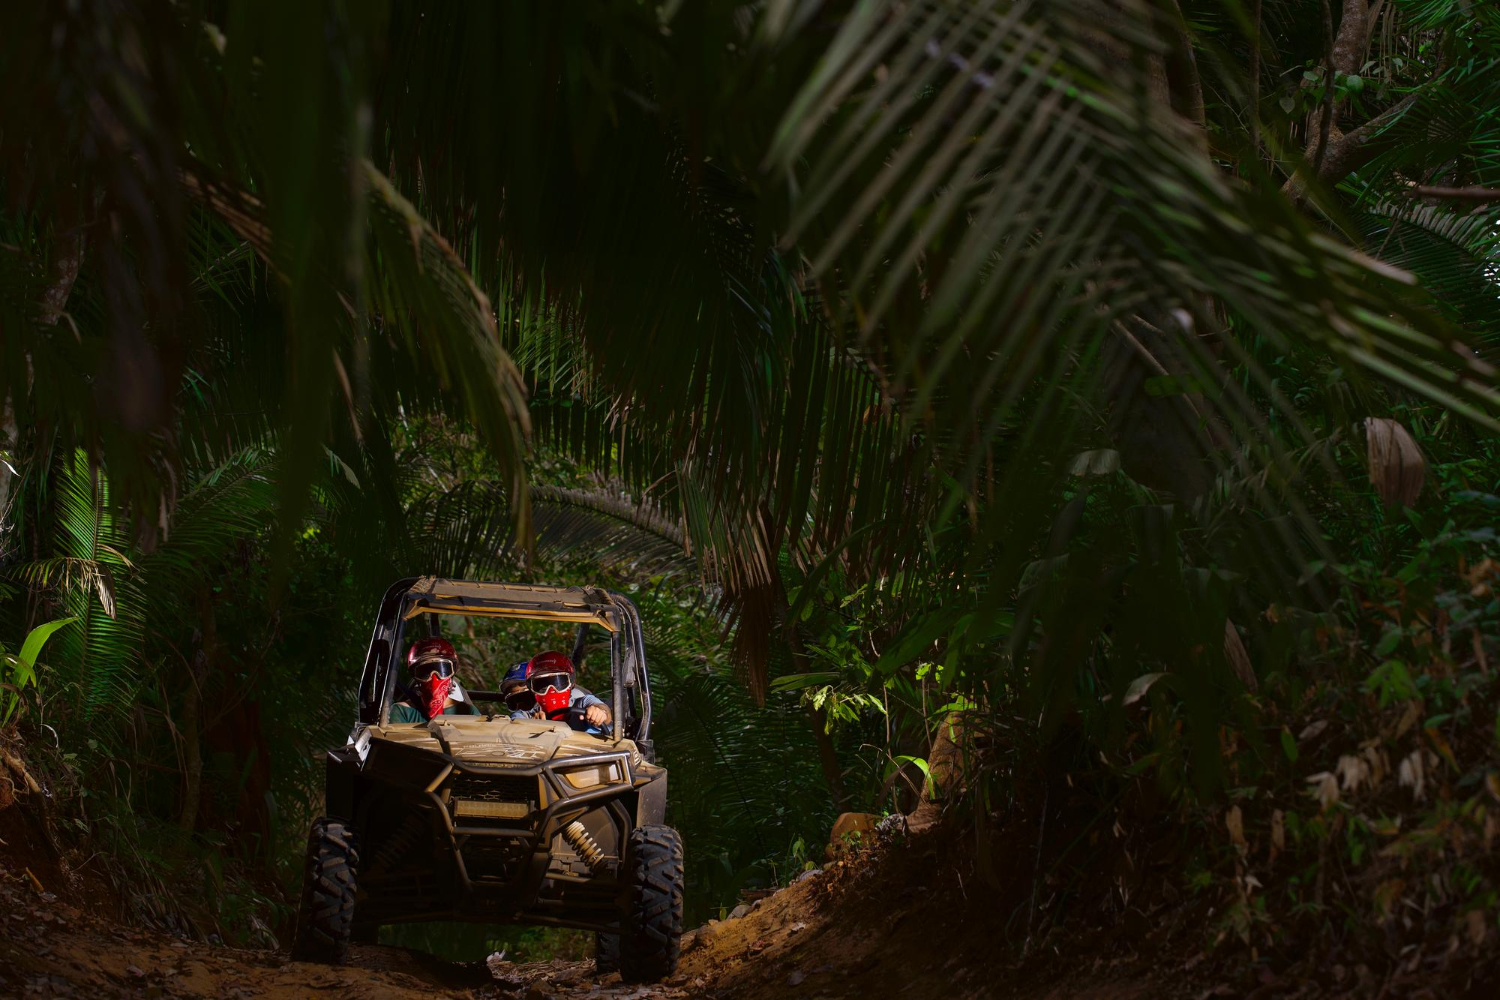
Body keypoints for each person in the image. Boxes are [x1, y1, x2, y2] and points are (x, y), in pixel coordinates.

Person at [502, 650, 611, 733]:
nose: (551, 690)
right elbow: (513, 727)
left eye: (558, 682)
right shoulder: (527, 716)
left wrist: (600, 714)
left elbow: (603, 710)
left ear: (571, 683)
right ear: (532, 689)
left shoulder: (582, 703)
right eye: (541, 685)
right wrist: (529, 728)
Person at [390, 637, 480, 723]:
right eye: (425, 671)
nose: (434, 679)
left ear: (452, 673)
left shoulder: (467, 711)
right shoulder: (402, 711)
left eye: (442, 670)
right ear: (416, 676)